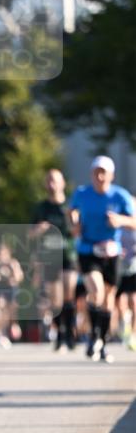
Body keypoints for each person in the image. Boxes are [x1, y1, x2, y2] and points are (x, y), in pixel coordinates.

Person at [69, 155, 135, 363]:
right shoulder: (82, 193)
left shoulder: (120, 196)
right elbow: (72, 211)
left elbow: (134, 222)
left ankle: (101, 342)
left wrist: (120, 220)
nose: (99, 176)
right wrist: (74, 223)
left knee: (108, 299)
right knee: (95, 291)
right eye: (96, 172)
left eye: (103, 172)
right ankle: (93, 337)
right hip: (88, 249)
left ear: (111, 175)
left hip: (111, 252)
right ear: (91, 174)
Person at [30, 169, 78, 351]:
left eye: (55, 180)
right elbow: (30, 234)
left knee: (68, 293)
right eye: (49, 180)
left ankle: (70, 332)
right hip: (49, 257)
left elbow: (77, 231)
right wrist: (39, 230)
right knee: (55, 300)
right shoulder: (41, 208)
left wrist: (74, 222)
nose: (52, 184)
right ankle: (60, 333)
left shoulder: (69, 207)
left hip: (68, 255)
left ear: (62, 183)